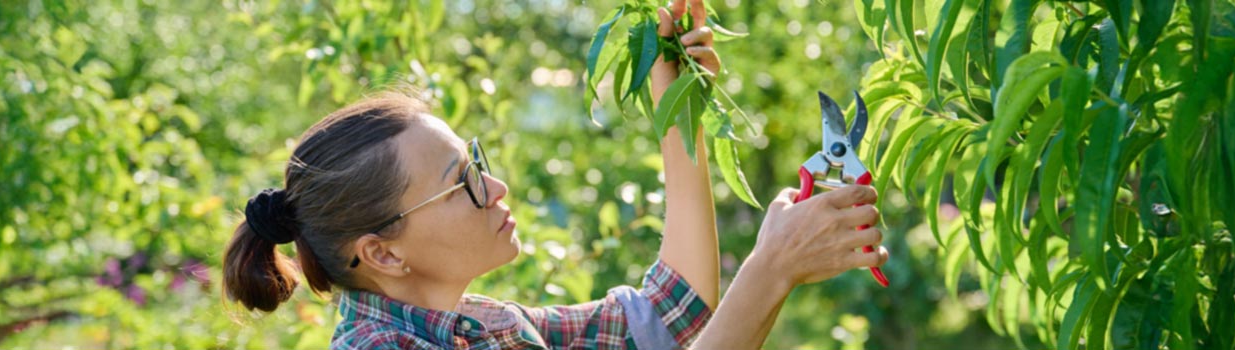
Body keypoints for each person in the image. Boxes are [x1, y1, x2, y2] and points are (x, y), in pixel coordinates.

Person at [222, 1, 885, 348]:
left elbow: (668, 317)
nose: (498, 187)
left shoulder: (482, 326)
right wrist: (770, 270)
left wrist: (677, 110)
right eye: (466, 181)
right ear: (383, 252)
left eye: (477, 161)